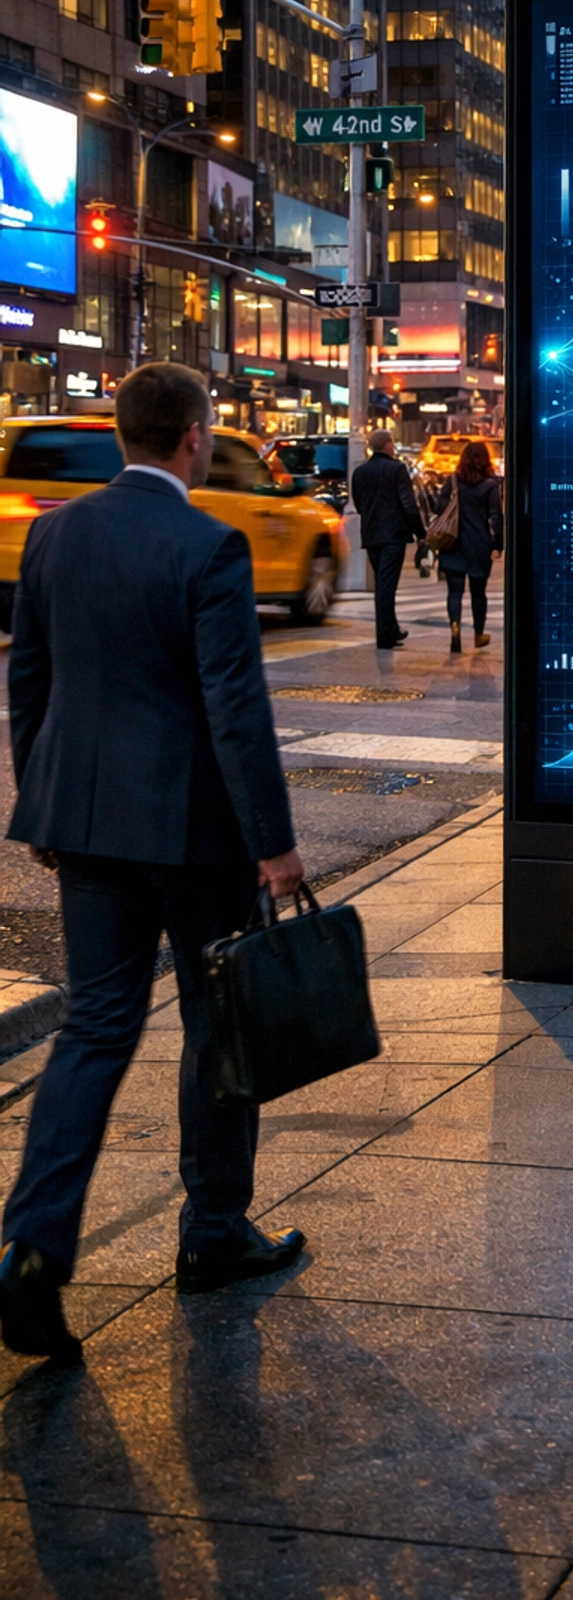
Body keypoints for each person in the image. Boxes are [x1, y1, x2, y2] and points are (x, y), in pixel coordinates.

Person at [0, 363, 306, 1362]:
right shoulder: (207, 545)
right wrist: (276, 845)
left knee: (93, 1031)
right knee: (218, 1026)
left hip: (85, 821)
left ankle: (32, 1252)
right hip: (195, 834)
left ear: (123, 436)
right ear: (191, 439)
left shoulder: (54, 533)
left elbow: (30, 681)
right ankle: (212, 1234)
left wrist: (43, 799)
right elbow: (234, 709)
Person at [350, 429, 424, 650]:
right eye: (392, 441)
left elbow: (359, 502)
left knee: (384, 584)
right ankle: (384, 634)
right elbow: (408, 504)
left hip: (372, 535)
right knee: (386, 587)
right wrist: (420, 532)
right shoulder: (397, 469)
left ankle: (391, 629)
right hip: (393, 535)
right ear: (386, 445)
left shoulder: (360, 472)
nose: (394, 446)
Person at [434, 438, 504, 653]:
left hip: (452, 542)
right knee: (478, 593)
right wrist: (498, 544)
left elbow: (439, 507)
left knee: (454, 591)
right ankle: (478, 634)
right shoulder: (490, 486)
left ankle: (455, 628)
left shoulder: (452, 481)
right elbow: (495, 516)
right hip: (479, 545)